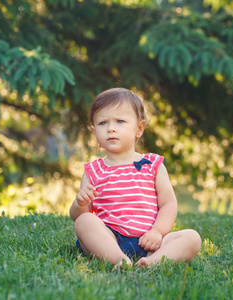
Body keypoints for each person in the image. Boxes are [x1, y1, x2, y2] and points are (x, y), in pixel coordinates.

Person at [69, 87, 201, 269]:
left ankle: (151, 261)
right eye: (102, 123)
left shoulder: (152, 165)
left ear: (139, 129)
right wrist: (80, 203)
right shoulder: (93, 170)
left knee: (192, 238)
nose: (111, 129)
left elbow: (168, 204)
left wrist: (157, 232)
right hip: (110, 239)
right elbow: (80, 216)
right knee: (84, 222)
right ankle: (118, 259)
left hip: (150, 241)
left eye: (120, 121)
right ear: (94, 132)